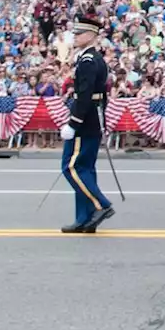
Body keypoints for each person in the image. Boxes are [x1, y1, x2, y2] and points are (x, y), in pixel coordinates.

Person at [59, 15, 115, 234]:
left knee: (72, 167)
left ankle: (101, 205)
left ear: (91, 36)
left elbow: (86, 95)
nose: (76, 36)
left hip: (85, 120)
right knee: (85, 169)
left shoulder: (89, 60)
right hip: (92, 118)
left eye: (80, 33)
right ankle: (84, 218)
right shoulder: (89, 58)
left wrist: (73, 123)